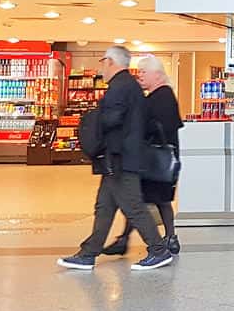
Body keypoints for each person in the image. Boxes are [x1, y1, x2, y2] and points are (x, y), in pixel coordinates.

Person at [58, 46, 174, 272]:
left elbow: (111, 119)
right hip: (120, 157)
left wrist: (92, 126)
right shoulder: (130, 87)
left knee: (133, 206)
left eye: (103, 62)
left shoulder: (119, 87)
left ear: (110, 62)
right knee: (104, 206)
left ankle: (158, 249)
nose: (102, 67)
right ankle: (88, 253)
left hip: (120, 158)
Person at [103, 55, 184, 258]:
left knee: (150, 199)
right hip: (157, 158)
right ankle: (133, 238)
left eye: (143, 72)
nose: (140, 76)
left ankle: (165, 237)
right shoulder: (160, 95)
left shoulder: (162, 97)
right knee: (147, 199)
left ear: (157, 75)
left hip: (156, 159)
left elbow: (158, 126)